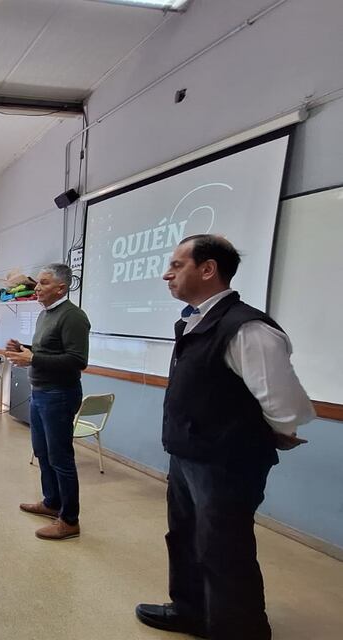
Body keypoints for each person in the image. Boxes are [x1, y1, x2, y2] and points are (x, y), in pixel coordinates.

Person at [136, 235, 315, 639]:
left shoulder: (246, 328)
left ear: (208, 269)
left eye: (176, 265)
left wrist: (273, 430)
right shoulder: (194, 320)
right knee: (184, 536)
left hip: (226, 462)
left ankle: (239, 630)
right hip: (188, 454)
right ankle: (190, 611)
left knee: (224, 549)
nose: (167, 274)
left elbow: (286, 403)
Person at [5, 263, 90, 541]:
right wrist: (24, 350)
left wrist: (33, 358)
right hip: (40, 392)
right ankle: (52, 502)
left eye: (43, 283)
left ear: (61, 288)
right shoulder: (46, 314)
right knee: (42, 452)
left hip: (59, 395)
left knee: (60, 458)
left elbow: (77, 360)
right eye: (38, 282)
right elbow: (46, 351)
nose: (37, 287)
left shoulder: (73, 316)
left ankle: (69, 520)